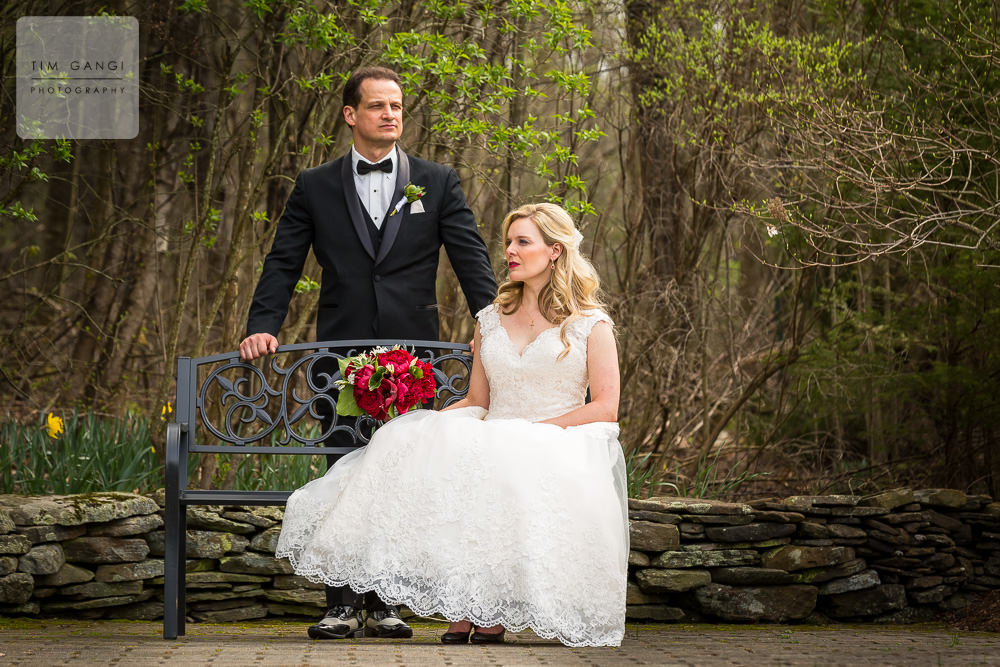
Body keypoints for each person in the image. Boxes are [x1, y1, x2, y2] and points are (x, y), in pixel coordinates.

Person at [276, 202, 629, 647]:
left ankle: (492, 611)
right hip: (496, 429)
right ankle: (469, 604)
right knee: (438, 449)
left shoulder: (590, 325)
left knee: (507, 460)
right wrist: (418, 429)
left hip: (561, 436)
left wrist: (539, 431)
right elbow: (477, 400)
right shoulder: (490, 319)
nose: (510, 252)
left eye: (523, 242)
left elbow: (605, 406)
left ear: (555, 251)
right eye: (508, 242)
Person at [240, 66, 497, 640]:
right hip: (340, 356)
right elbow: (283, 261)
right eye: (378, 106)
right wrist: (263, 325)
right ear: (351, 115)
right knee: (341, 473)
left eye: (398, 106)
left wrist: (495, 326)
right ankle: (338, 604)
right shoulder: (315, 185)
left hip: (412, 357)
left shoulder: (437, 180)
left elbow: (471, 259)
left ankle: (386, 606)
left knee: (401, 476)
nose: (390, 115)